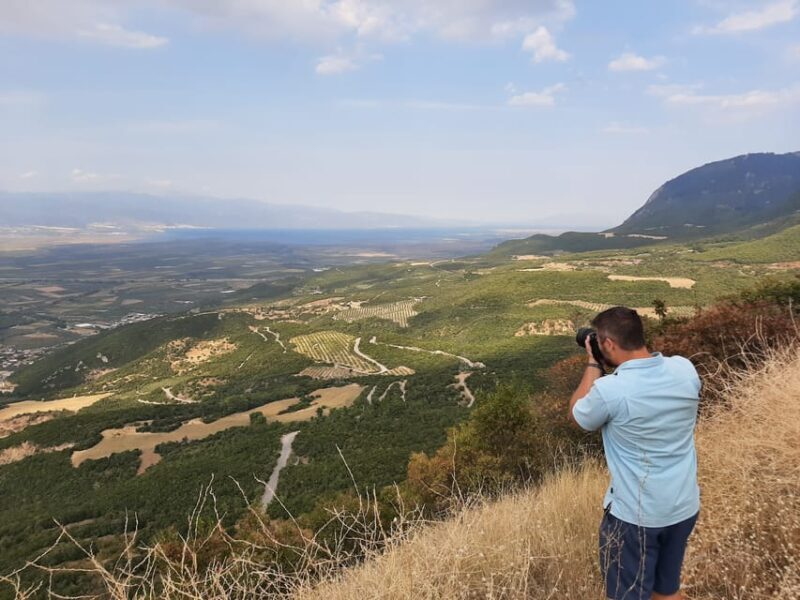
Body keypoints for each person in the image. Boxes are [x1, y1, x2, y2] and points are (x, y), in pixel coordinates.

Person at [568, 306, 701, 600]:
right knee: (666, 590)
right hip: (683, 506)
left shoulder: (610, 390)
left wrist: (593, 364)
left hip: (636, 518)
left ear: (608, 344)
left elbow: (578, 416)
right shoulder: (685, 369)